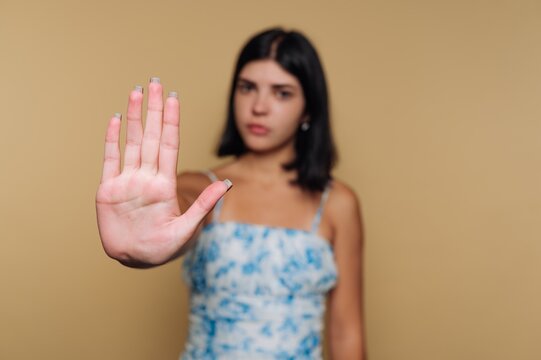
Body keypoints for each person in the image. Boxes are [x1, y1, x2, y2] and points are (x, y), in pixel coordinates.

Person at [96, 28, 365, 359]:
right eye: (247, 87)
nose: (259, 107)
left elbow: (347, 334)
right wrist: (137, 244)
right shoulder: (200, 189)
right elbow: (172, 218)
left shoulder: (337, 203)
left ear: (309, 109)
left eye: (282, 93)